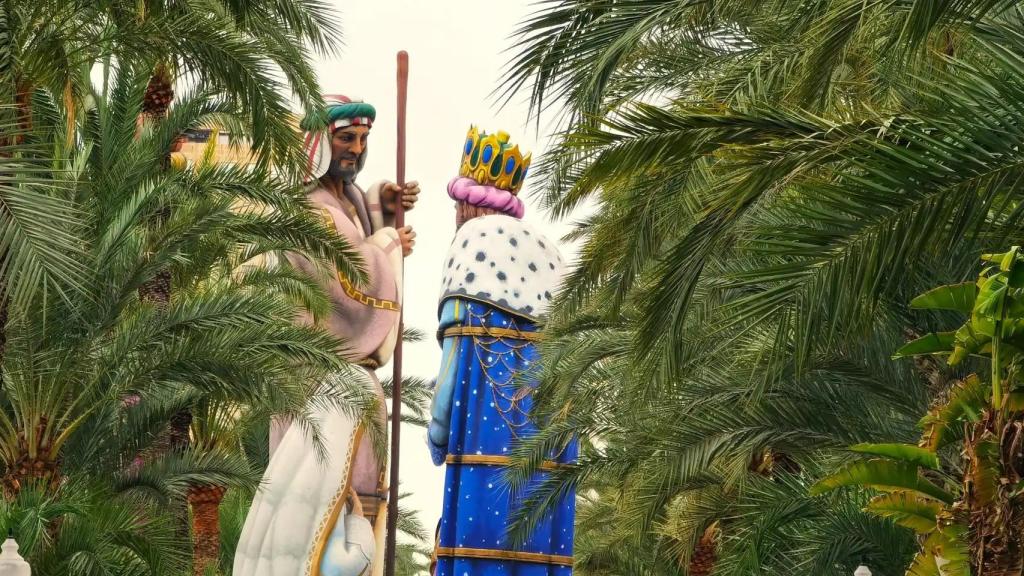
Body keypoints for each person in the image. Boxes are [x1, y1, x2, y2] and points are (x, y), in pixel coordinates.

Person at [234, 95, 419, 576]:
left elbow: (358, 228)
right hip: (317, 383)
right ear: (318, 144)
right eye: (345, 139)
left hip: (347, 384)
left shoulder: (343, 201)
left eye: (362, 140)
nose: (356, 149)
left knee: (359, 507)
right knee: (320, 510)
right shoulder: (311, 210)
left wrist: (382, 207)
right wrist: (387, 244)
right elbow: (347, 280)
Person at [427, 127, 576, 575]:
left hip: (483, 455)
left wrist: (437, 434)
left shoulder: (469, 251)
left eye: (457, 205)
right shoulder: (548, 259)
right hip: (547, 459)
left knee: (477, 557)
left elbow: (452, 371)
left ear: (466, 205)